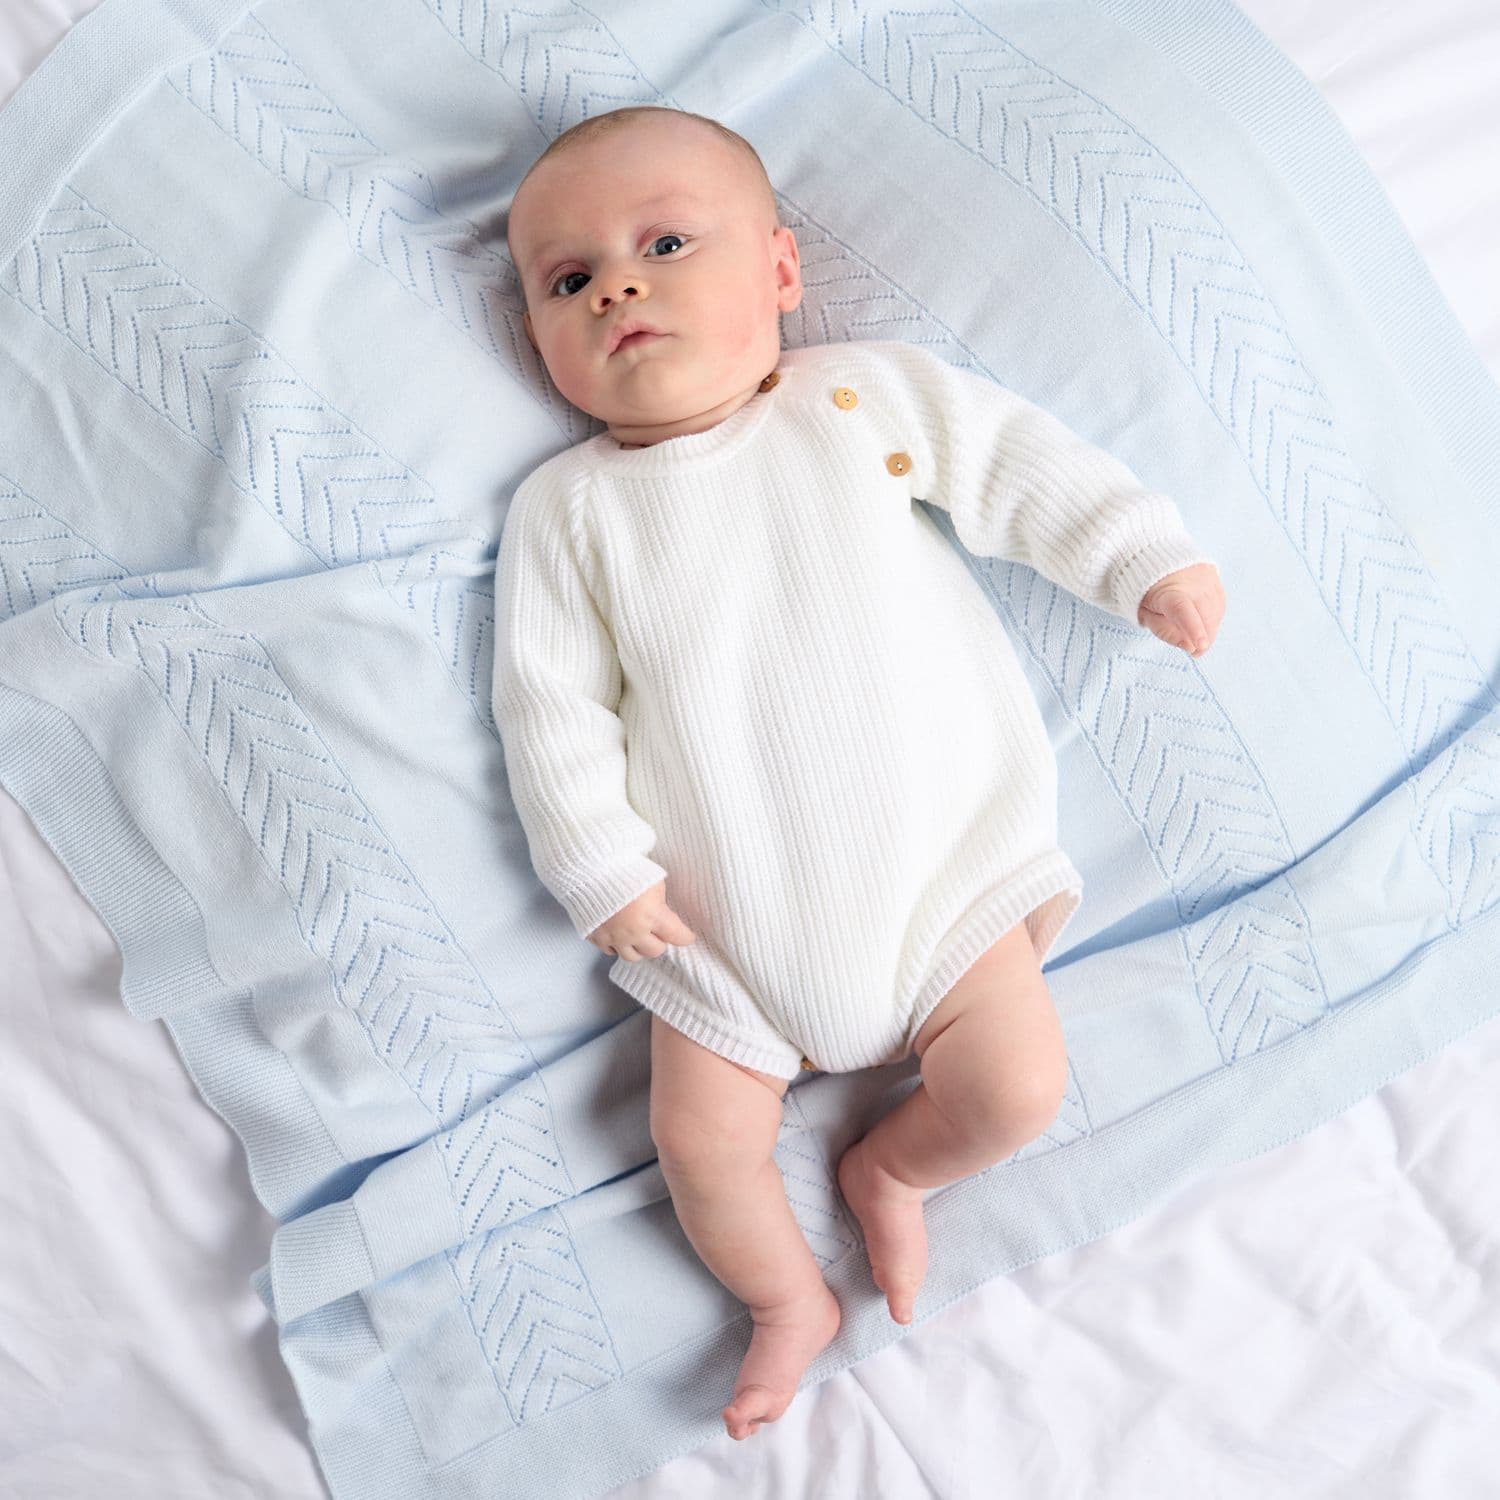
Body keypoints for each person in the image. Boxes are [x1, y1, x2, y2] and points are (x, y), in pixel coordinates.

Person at [496, 104, 1226, 1443]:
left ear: (780, 270)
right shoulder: (572, 510)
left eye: (666, 245)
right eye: (568, 278)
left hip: (944, 883)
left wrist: (1137, 557)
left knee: (1017, 1091)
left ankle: (893, 1172)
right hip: (719, 935)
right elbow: (548, 704)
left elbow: (1016, 464)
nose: (618, 288)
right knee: (699, 1146)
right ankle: (786, 1301)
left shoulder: (855, 399)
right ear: (536, 335)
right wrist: (598, 866)